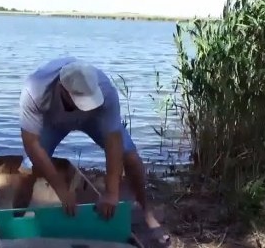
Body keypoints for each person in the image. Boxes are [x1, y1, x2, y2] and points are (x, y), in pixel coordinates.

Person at [14, 56, 171, 246]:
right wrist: (61, 190)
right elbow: (32, 144)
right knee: (28, 169)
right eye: (79, 99)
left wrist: (112, 192)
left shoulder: (106, 90)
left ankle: (146, 213)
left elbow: (114, 140)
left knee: (131, 157)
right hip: (52, 122)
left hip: (93, 119)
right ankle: (14, 218)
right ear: (62, 89)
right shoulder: (35, 91)